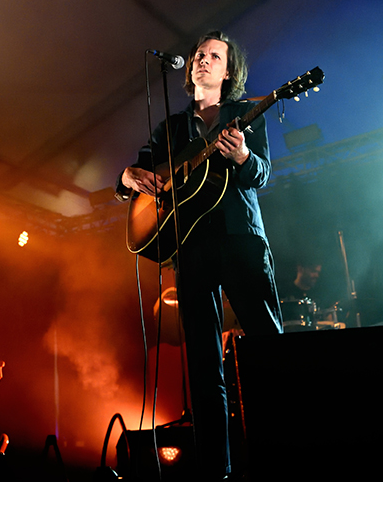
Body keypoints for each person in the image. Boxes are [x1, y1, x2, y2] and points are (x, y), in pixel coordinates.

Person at [115, 30, 283, 480]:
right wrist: (127, 178)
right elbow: (140, 171)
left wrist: (245, 155)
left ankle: (287, 455)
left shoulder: (246, 114)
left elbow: (261, 175)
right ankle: (216, 475)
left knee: (270, 349)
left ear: (228, 72)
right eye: (198, 55)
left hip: (241, 240)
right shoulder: (170, 128)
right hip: (190, 247)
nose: (202, 60)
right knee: (204, 368)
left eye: (213, 56)